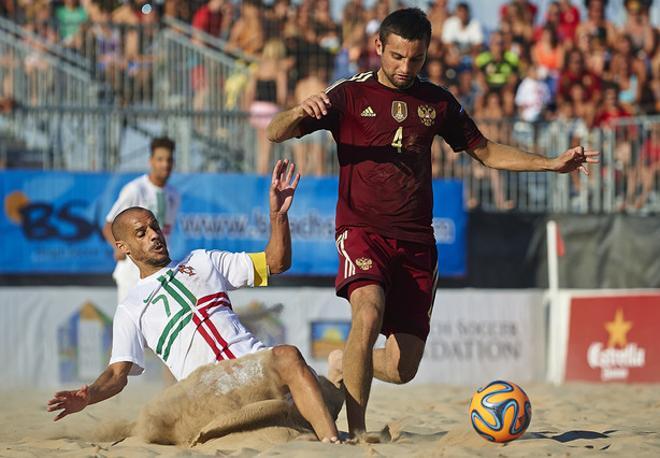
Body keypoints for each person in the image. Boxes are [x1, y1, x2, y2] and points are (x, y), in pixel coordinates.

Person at [266, 7, 599, 438]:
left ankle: (341, 364)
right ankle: (356, 432)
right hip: (362, 229)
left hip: (418, 241)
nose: (406, 68)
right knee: (366, 315)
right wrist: (297, 111)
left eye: (416, 59)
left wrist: (551, 164)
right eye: (398, 57)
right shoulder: (349, 95)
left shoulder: (437, 102)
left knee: (403, 368)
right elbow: (275, 132)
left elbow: (487, 150)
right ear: (379, 48)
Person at [48, 160, 340, 444]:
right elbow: (116, 374)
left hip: (259, 370)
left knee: (300, 366)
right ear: (123, 247)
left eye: (154, 228)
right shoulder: (130, 307)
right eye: (141, 233)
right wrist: (88, 395)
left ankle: (333, 443)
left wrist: (278, 216)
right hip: (213, 392)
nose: (153, 235)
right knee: (289, 357)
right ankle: (333, 443)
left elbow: (276, 262)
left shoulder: (202, 261)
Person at [102, 137, 181, 303]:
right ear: (151, 161)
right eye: (160, 159)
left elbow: (166, 233)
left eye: (169, 160)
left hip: (159, 272)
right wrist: (118, 248)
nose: (165, 164)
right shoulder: (135, 189)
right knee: (131, 326)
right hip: (132, 274)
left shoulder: (174, 194)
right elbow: (109, 225)